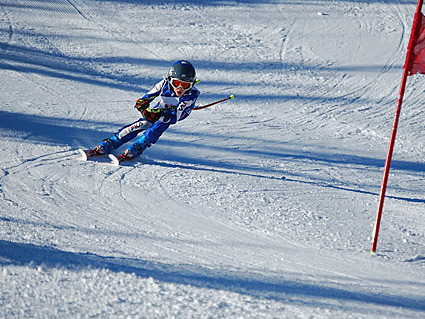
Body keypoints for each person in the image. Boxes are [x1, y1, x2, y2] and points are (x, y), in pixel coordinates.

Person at [84, 60, 200, 163]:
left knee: (160, 124)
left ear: (192, 85)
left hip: (176, 113)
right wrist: (142, 104)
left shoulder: (190, 96)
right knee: (142, 123)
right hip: (161, 108)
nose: (180, 88)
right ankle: (112, 142)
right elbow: (149, 95)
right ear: (170, 80)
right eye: (176, 83)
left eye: (185, 85)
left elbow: (175, 116)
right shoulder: (164, 83)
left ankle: (139, 146)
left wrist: (159, 114)